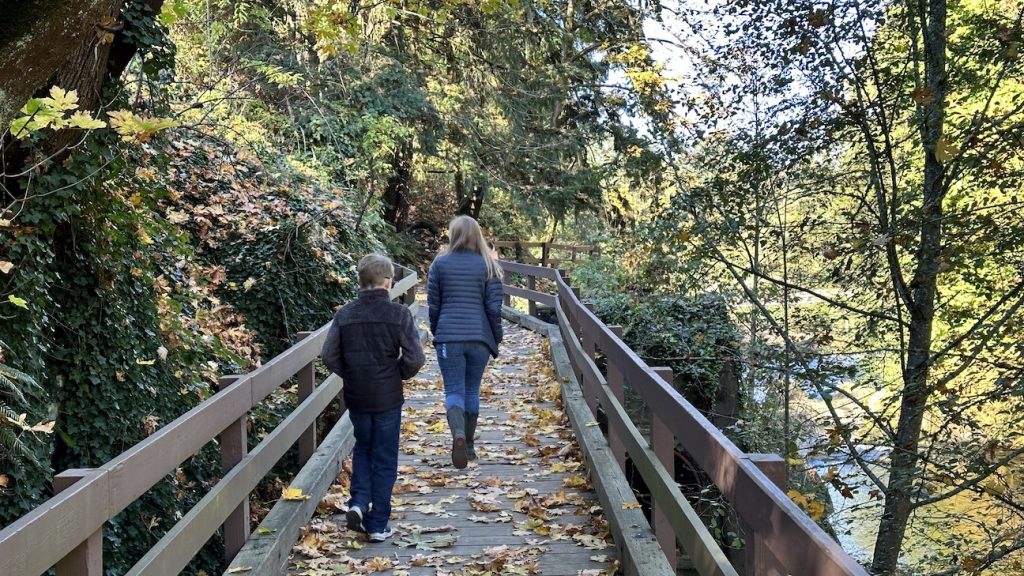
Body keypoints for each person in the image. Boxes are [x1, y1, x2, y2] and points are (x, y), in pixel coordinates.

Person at [321, 253, 425, 542]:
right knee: (384, 457)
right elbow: (416, 357)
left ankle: (357, 503)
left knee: (363, 449)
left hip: (358, 397)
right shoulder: (399, 315)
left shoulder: (345, 314)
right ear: (389, 281)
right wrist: (398, 374)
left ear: (359, 281)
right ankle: (377, 523)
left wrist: (352, 374)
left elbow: (329, 355)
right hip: (388, 398)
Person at [427, 215, 504, 469]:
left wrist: (438, 331)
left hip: (450, 337)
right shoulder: (488, 265)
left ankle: (458, 435)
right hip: (480, 338)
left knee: (454, 391)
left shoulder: (440, 263)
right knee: (472, 390)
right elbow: (494, 308)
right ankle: (468, 447)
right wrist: (496, 337)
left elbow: (434, 304)